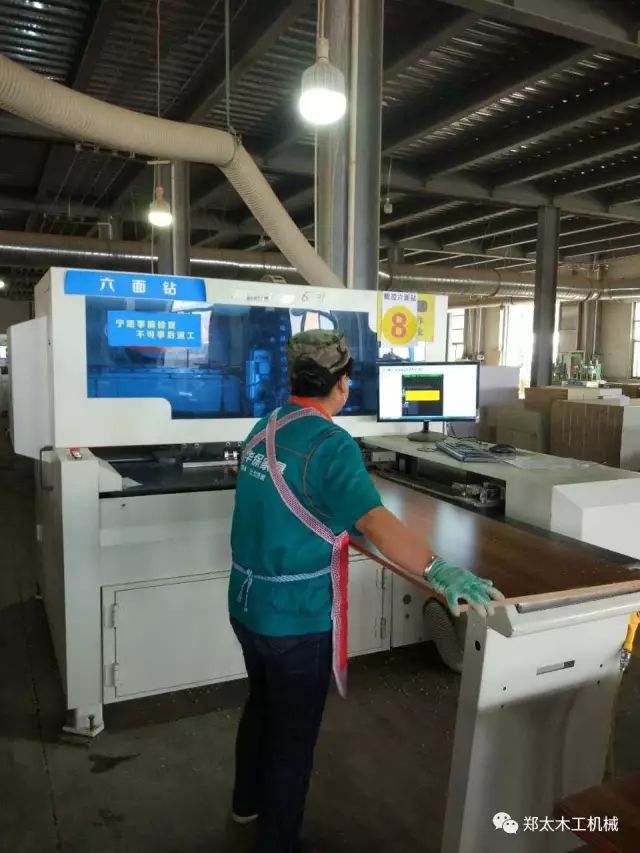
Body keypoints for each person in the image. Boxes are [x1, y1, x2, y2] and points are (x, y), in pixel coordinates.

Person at [228, 330, 503, 853]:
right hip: (296, 618)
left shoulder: (267, 425)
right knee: (293, 738)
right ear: (342, 384)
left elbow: (295, 503)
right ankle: (276, 842)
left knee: (262, 705)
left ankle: (246, 804)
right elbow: (374, 521)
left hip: (246, 605)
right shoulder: (331, 444)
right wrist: (439, 570)